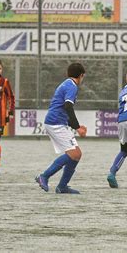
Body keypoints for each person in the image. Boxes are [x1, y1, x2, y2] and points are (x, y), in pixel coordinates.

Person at [35, 63, 87, 194]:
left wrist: (76, 126)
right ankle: (44, 176)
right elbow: (68, 107)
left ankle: (62, 186)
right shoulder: (72, 86)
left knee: (77, 154)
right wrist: (77, 128)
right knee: (73, 154)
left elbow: (64, 109)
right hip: (55, 123)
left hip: (58, 122)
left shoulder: (67, 83)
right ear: (81, 75)